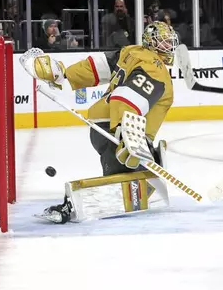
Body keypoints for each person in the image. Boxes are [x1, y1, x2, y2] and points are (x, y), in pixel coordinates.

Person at [21, 21, 178, 223]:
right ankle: (71, 206)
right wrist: (130, 133)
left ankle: (143, 165)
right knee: (124, 186)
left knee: (142, 178)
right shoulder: (155, 68)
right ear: (151, 42)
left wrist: (65, 74)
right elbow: (128, 97)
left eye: (169, 43)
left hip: (104, 126)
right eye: (163, 43)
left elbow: (96, 68)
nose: (168, 47)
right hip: (117, 130)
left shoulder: (131, 51)